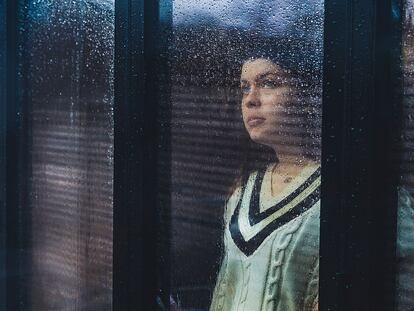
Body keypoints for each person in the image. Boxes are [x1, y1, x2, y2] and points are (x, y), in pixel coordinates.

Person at [209, 57, 321, 311]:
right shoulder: (242, 191)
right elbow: (226, 290)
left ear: (306, 95)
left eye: (268, 83)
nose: (250, 99)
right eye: (244, 88)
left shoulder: (342, 188)